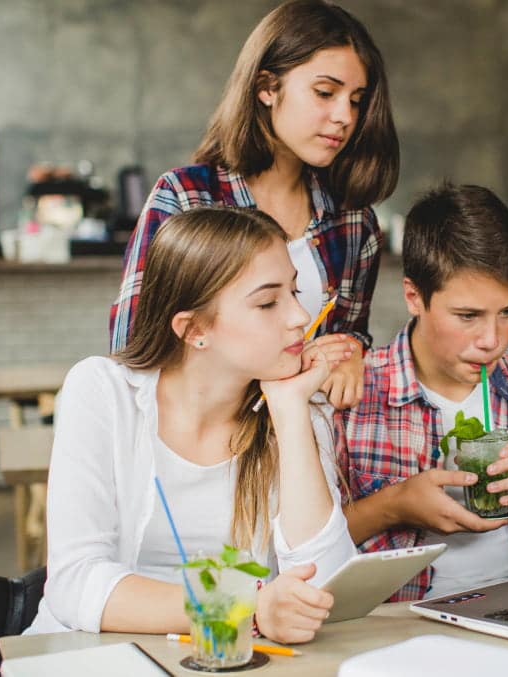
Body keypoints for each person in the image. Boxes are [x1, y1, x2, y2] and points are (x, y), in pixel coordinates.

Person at [28, 207, 356, 644]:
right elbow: (75, 582)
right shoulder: (103, 392)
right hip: (97, 657)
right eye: (268, 301)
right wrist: (244, 607)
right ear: (194, 329)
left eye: (295, 291)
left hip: (235, 663)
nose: (299, 316)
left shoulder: (298, 407)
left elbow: (323, 588)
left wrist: (292, 409)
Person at [109, 0, 399, 410]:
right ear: (266, 87)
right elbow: (134, 348)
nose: (344, 117)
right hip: (199, 441)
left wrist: (351, 349)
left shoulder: (354, 223)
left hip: (306, 444)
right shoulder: (184, 197)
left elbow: (345, 340)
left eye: (356, 100)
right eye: (325, 92)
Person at [336, 184, 508, 601]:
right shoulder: (355, 395)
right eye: (467, 316)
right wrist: (395, 505)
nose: (491, 340)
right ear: (414, 297)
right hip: (401, 623)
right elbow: (305, 551)